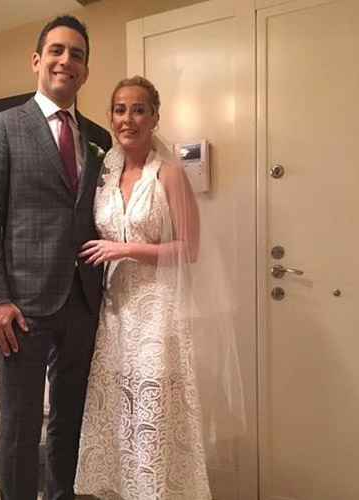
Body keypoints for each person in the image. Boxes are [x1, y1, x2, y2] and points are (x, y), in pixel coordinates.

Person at [75, 76, 244, 500]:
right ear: (111, 116)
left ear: (154, 117)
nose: (128, 119)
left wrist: (124, 249)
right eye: (119, 110)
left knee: (153, 409)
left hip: (157, 313)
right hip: (114, 311)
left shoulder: (169, 174)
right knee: (118, 408)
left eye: (138, 109)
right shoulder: (104, 174)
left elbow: (190, 249)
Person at [0, 15, 112, 500]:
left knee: (71, 421)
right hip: (20, 307)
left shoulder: (99, 137)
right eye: (57, 50)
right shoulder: (2, 126)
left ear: (85, 71)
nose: (66, 60)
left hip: (84, 302)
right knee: (20, 425)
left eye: (77, 55)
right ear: (37, 60)